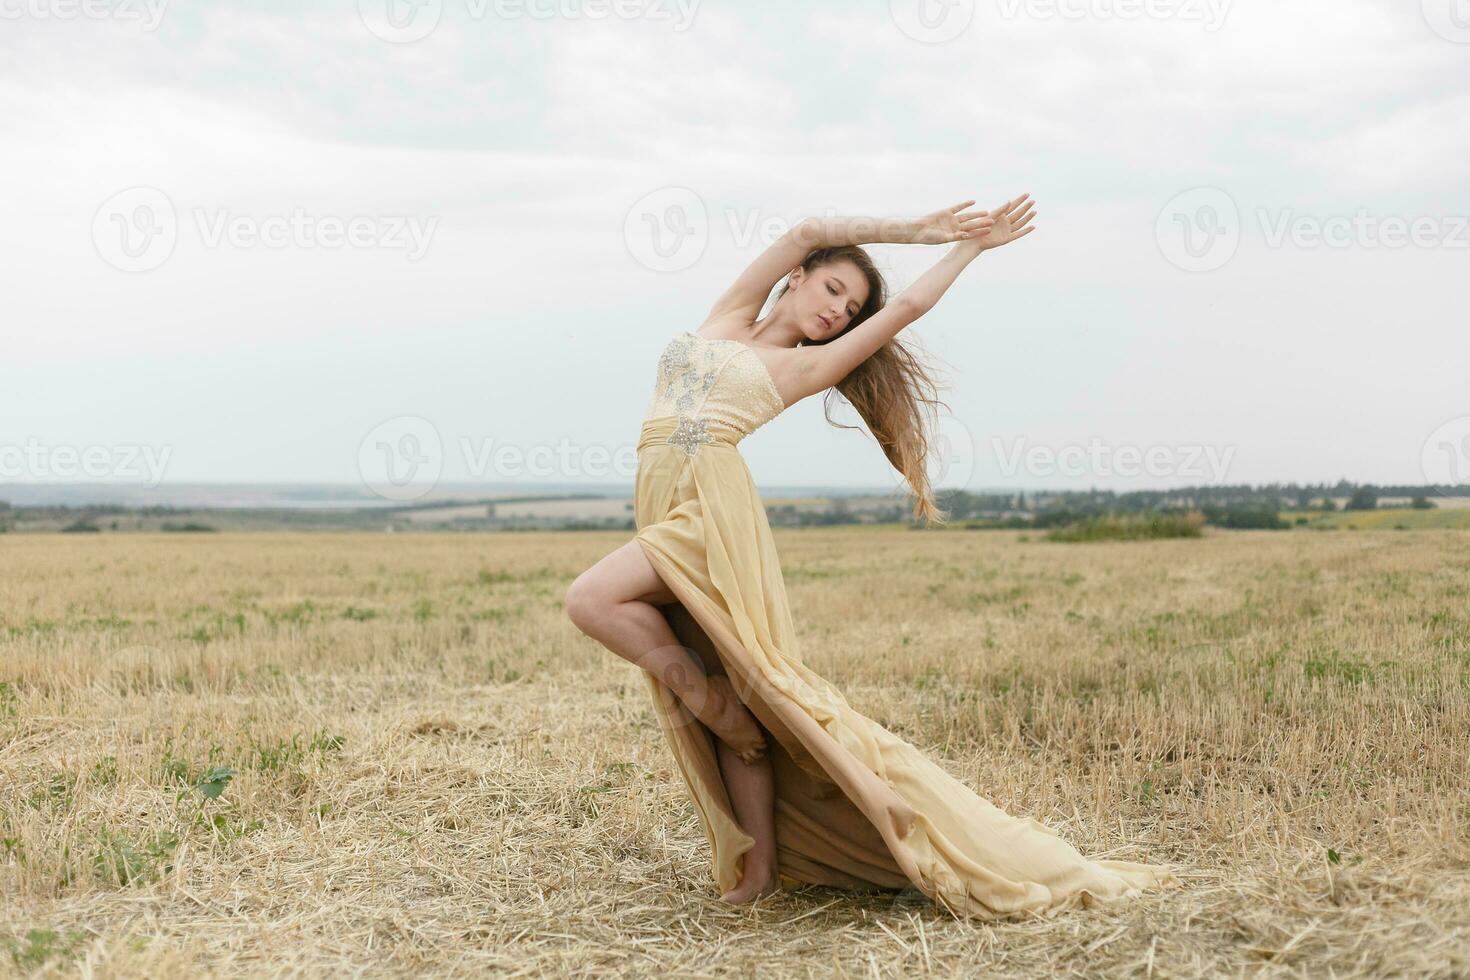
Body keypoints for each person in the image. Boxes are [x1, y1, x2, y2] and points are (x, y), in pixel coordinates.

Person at [565, 196, 1176, 918]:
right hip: (661, 495)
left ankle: (717, 708)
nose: (838, 312)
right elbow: (809, 228)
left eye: (851, 309)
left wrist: (968, 251)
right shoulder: (728, 316)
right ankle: (754, 875)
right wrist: (923, 229)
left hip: (708, 509)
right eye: (832, 289)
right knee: (743, 678)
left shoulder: (809, 367)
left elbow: (911, 305)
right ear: (796, 277)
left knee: (592, 600)